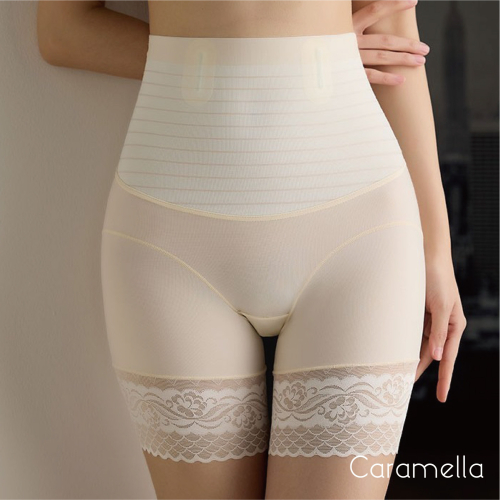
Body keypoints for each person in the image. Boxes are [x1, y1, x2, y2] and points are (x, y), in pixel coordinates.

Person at [37, 1, 467, 499]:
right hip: (172, 241)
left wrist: (437, 253)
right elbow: (63, 31)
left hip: (361, 231)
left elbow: (396, 38)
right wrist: (266, 59)